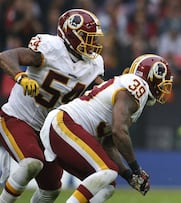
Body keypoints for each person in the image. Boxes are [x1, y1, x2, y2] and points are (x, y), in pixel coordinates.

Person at [0, 9, 106, 203]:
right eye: (86, 37)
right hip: (17, 118)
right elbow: (6, 57)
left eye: (94, 38)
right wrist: (21, 77)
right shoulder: (50, 49)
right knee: (32, 162)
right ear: (71, 36)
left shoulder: (93, 65)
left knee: (51, 190)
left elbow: (102, 88)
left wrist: (121, 87)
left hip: (47, 131)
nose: (92, 43)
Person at [39, 54, 173, 202]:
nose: (164, 88)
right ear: (152, 77)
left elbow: (108, 146)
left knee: (107, 186)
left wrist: (129, 176)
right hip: (64, 124)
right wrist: (136, 169)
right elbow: (119, 132)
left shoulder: (131, 94)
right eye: (163, 82)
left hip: (62, 128)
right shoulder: (138, 85)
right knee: (107, 171)